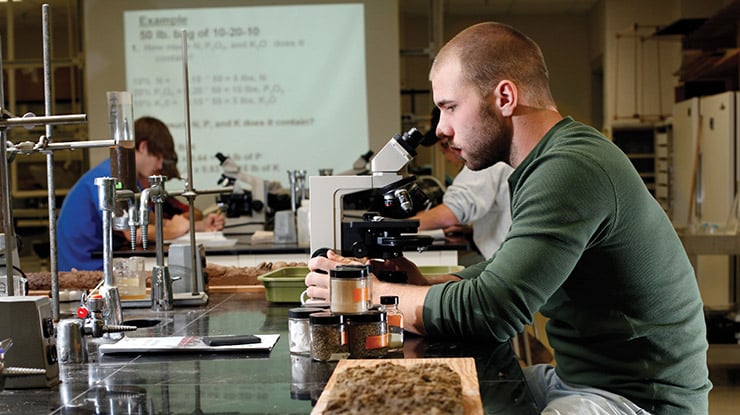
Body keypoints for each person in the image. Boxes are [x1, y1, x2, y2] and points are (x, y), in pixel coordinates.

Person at [306, 22, 711, 414]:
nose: (442, 129)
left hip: (638, 400)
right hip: (579, 378)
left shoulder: (569, 168)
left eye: (449, 107)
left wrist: (368, 293)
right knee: (429, 389)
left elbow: (493, 312)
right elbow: (502, 271)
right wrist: (421, 284)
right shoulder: (548, 161)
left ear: (504, 97)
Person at [57, 116, 224, 271]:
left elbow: (149, 221)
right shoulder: (111, 174)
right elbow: (132, 233)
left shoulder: (128, 177)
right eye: (159, 157)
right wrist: (173, 231)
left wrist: (197, 226)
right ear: (143, 146)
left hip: (102, 263)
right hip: (86, 270)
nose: (160, 166)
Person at [414, 106, 513, 259]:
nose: (447, 156)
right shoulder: (497, 154)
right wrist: (471, 230)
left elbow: (452, 213)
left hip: (506, 262)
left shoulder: (485, 161)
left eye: (444, 147)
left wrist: (403, 225)